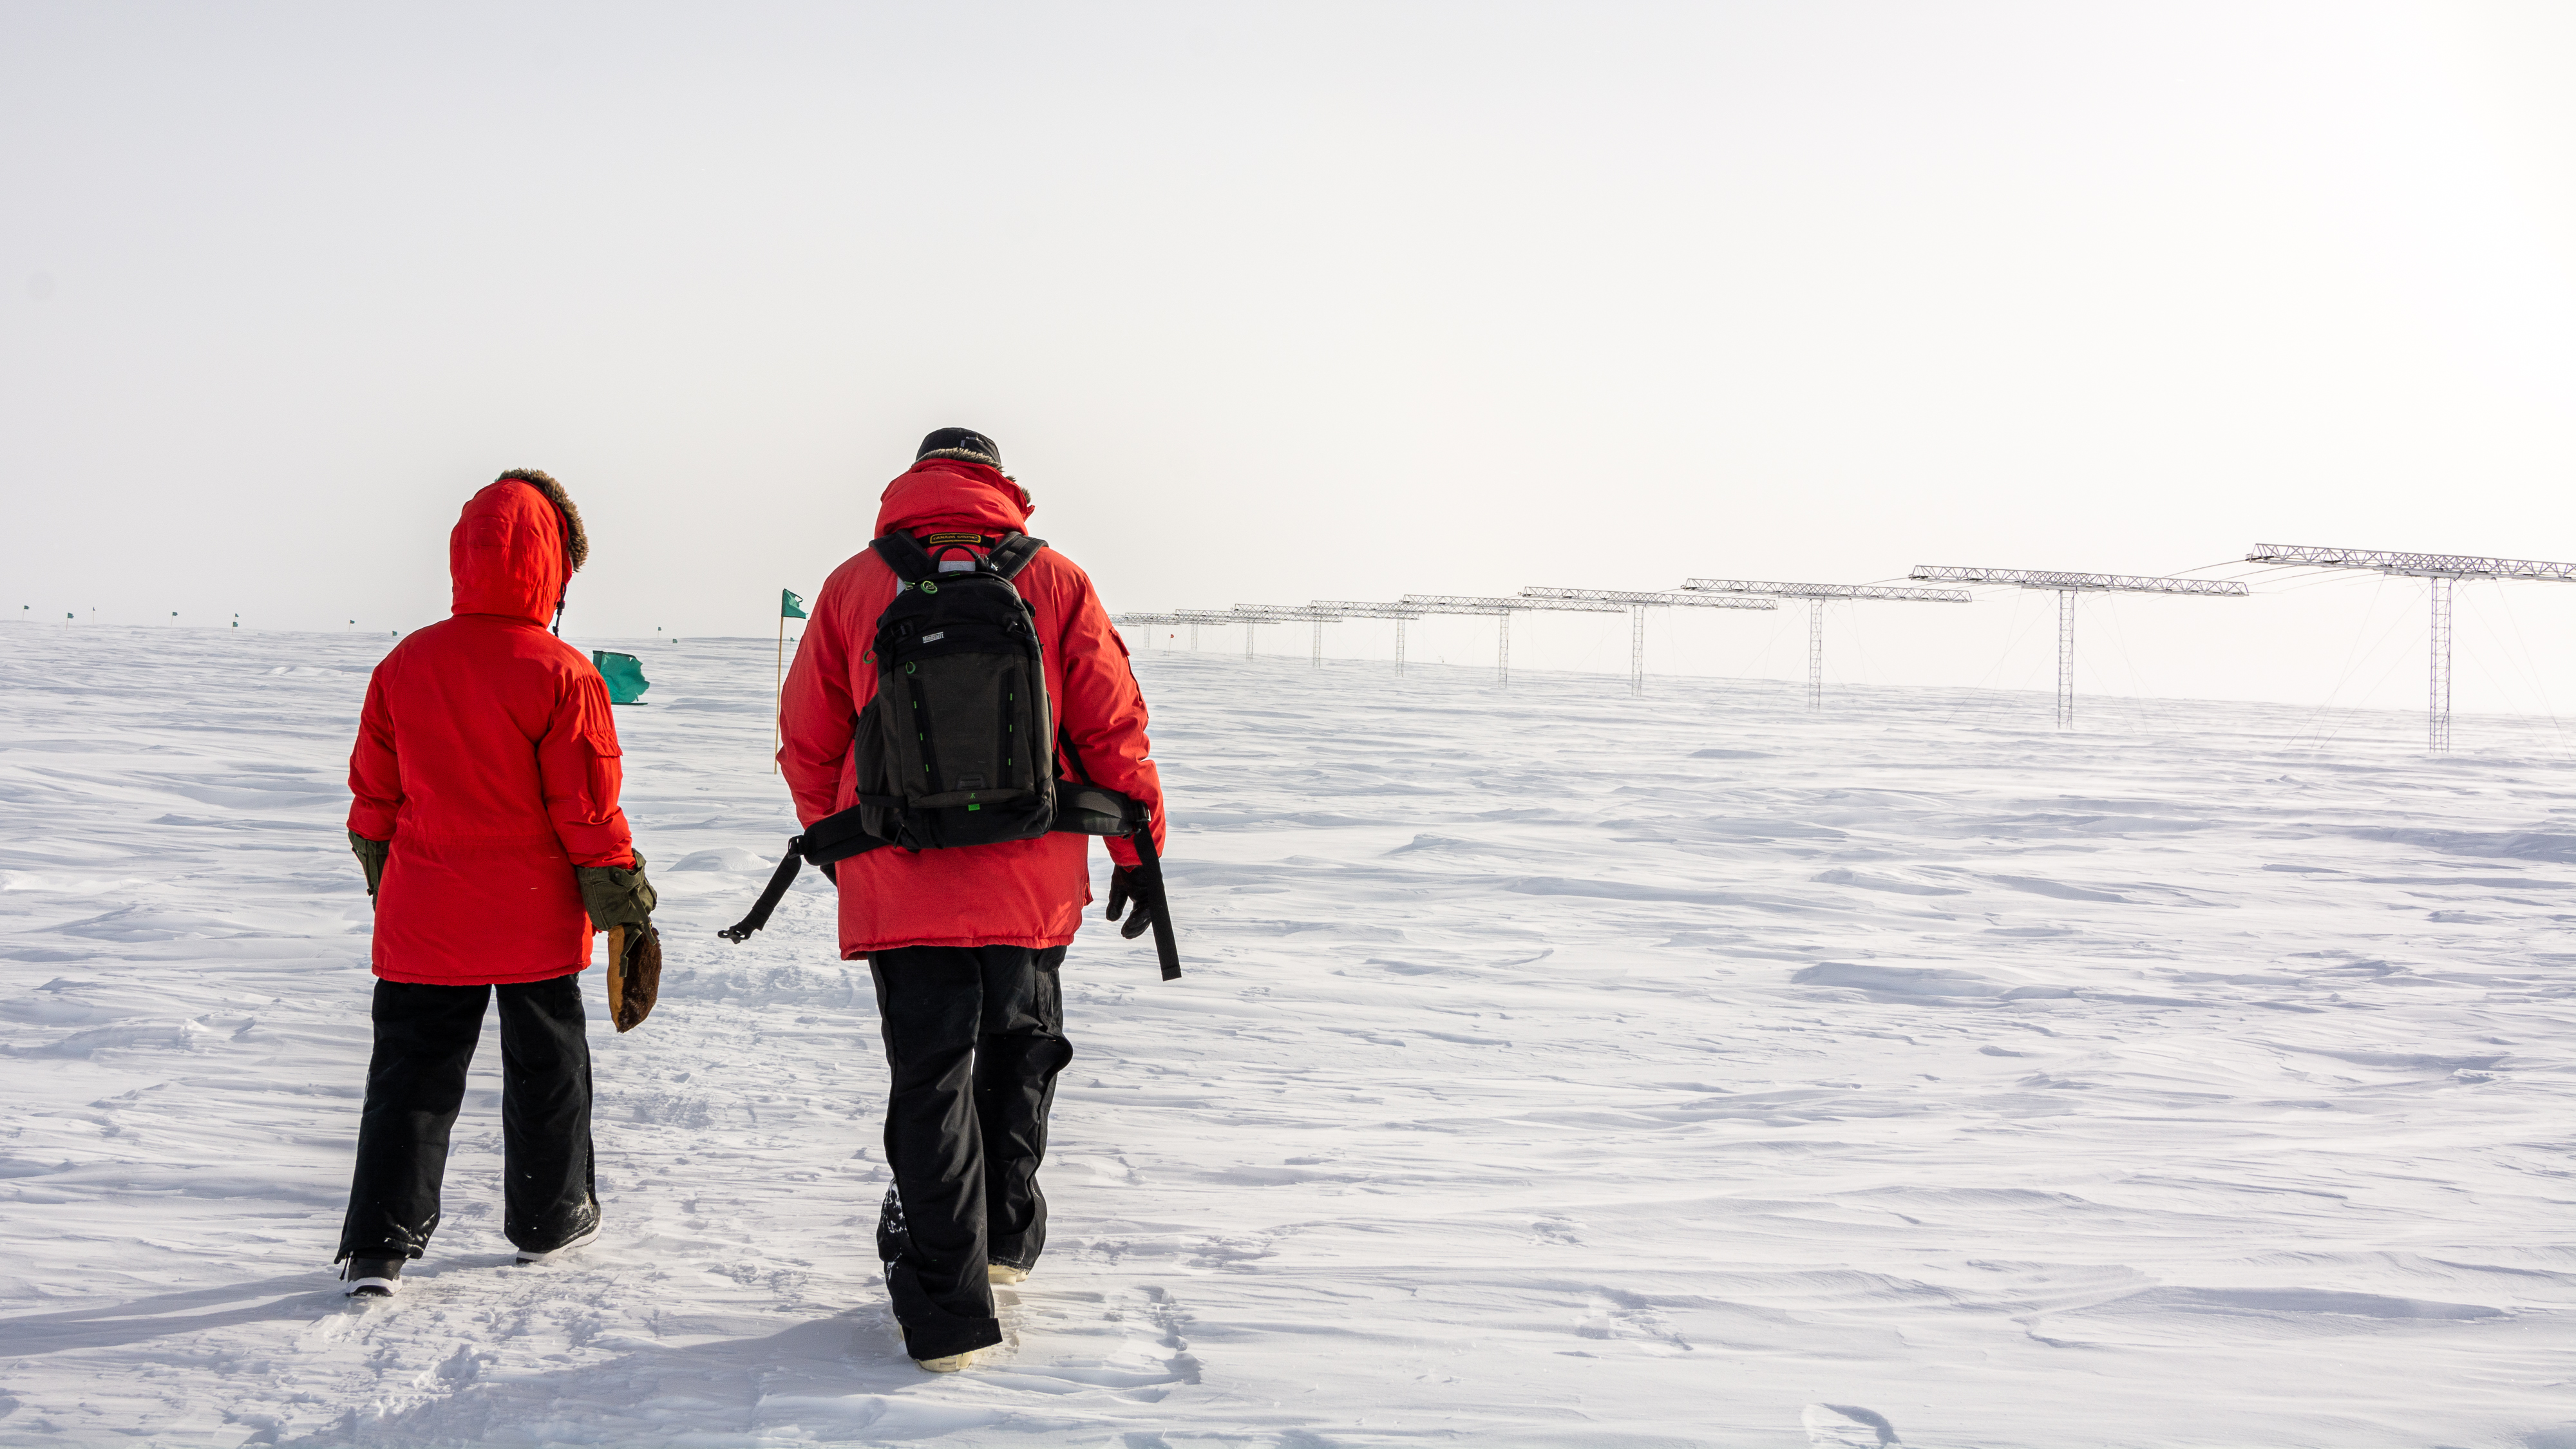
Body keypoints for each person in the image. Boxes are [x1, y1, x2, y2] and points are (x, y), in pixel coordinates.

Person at [777, 428, 1166, 1372]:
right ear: (1002, 484)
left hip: (901, 881)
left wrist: (848, 848)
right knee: (1021, 1054)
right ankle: (1005, 1239)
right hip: (1031, 879)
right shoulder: (1058, 579)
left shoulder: (854, 584)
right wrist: (1137, 849)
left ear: (909, 483)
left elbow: (807, 737)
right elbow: (1114, 724)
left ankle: (947, 1316)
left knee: (931, 1078)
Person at [336, 469, 658, 1296]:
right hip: (533, 917)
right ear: (552, 568)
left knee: (410, 1076)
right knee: (547, 1069)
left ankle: (379, 1245)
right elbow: (588, 813)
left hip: (424, 916)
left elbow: (373, 801)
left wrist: (392, 887)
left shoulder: (405, 663)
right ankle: (551, 1222)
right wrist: (628, 912)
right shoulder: (563, 673)